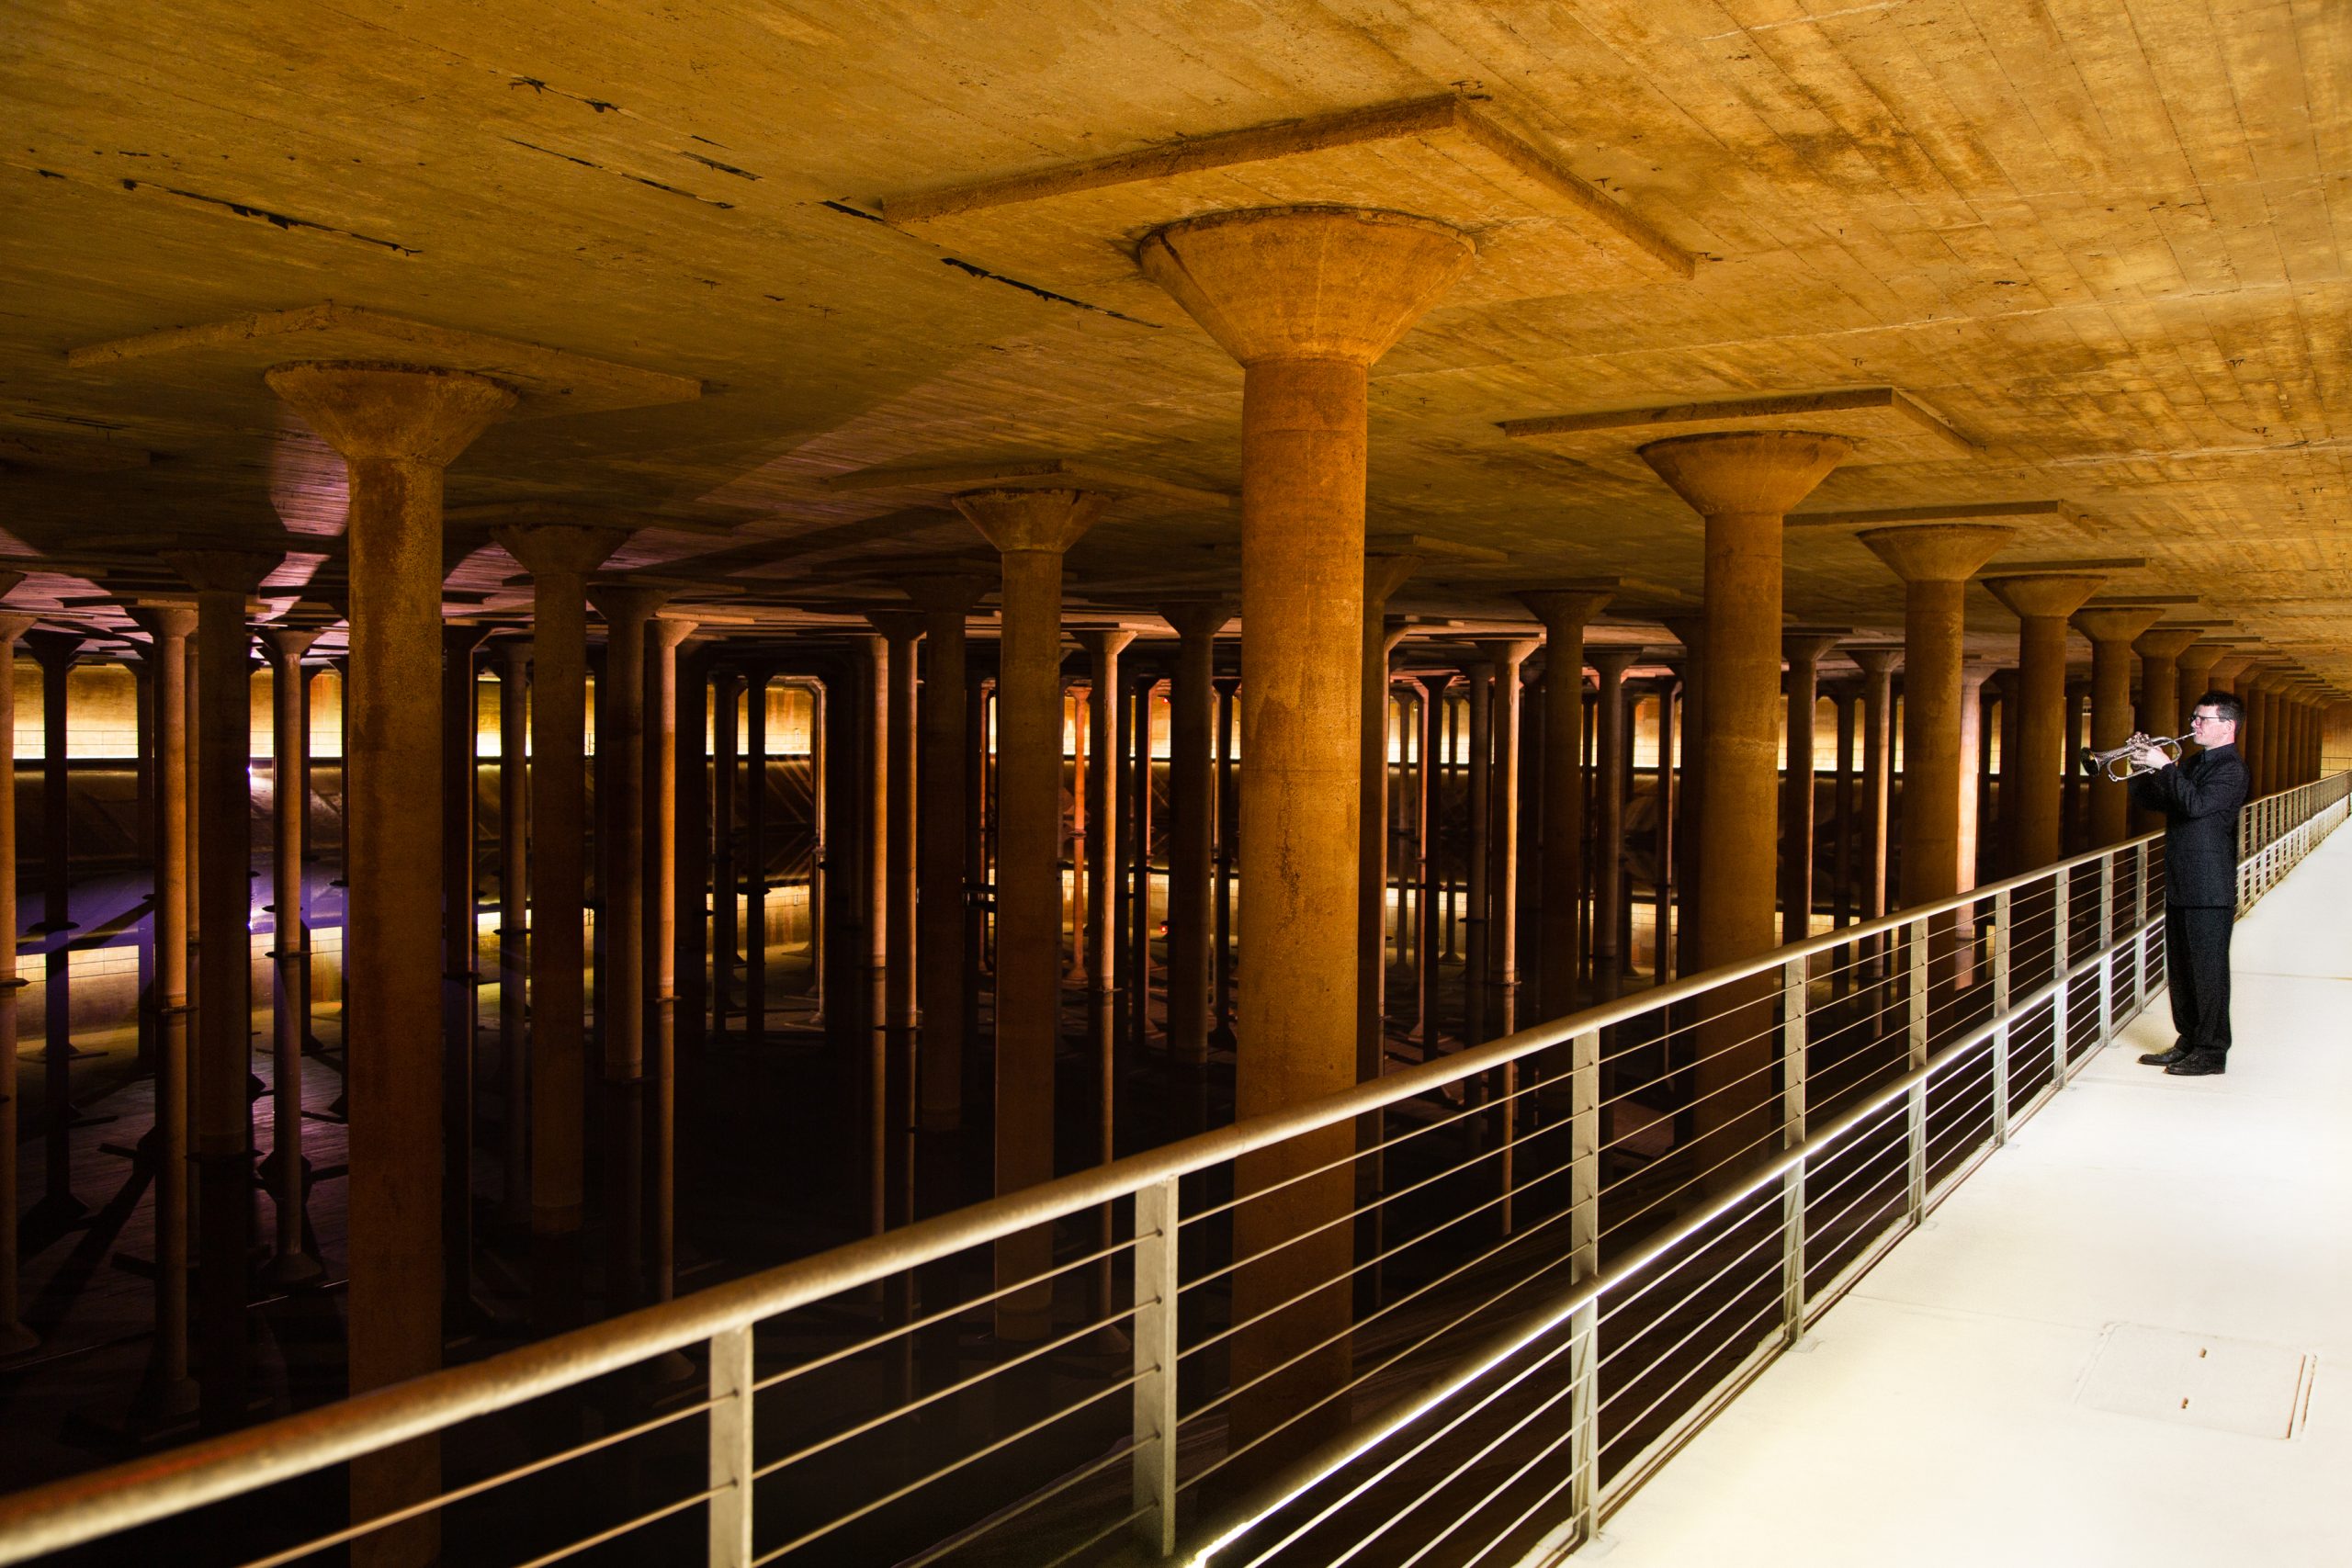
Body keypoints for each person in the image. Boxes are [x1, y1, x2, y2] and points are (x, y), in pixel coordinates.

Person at [2128, 694, 2250, 1076]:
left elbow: (2196, 806)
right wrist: (2142, 768)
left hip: (2209, 886)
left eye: (2202, 719)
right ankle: (2189, 1040)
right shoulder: (2196, 763)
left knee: (2208, 971)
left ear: (2227, 726)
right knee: (2180, 970)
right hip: (2183, 880)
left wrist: (2165, 766)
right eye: (2194, 717)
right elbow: (2160, 802)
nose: (2194, 724)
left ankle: (2212, 1052)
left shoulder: (2232, 769)